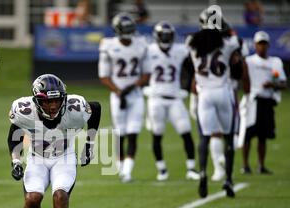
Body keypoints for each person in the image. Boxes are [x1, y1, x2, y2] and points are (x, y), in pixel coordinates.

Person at [7, 74, 101, 208]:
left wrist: (89, 145)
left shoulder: (76, 108)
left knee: (60, 196)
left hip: (64, 157)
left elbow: (96, 108)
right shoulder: (24, 111)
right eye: (48, 101)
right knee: (32, 199)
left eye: (57, 100)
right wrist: (15, 160)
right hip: (36, 158)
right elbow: (14, 134)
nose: (53, 106)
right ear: (37, 101)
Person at [187, 8, 246, 198]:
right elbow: (235, 41)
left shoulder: (192, 43)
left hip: (204, 93)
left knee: (204, 137)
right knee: (228, 137)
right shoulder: (228, 43)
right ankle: (228, 178)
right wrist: (223, 29)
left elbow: (198, 42)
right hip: (223, 91)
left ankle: (203, 173)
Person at [144, 21, 200, 181]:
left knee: (186, 132)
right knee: (157, 134)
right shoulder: (149, 51)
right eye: (163, 35)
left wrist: (186, 85)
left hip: (175, 98)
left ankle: (191, 168)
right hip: (156, 99)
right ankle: (161, 169)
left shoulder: (180, 50)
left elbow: (191, 66)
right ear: (157, 36)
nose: (166, 38)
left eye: (168, 36)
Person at [98, 12, 149, 183]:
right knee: (120, 132)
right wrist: (119, 91)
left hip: (135, 94)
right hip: (117, 94)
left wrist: (132, 87)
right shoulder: (108, 45)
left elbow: (147, 74)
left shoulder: (141, 44)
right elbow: (104, 76)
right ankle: (120, 166)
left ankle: (127, 171)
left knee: (133, 132)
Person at [240, 31, 287, 174]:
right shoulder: (249, 61)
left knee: (263, 136)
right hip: (253, 100)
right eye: (260, 44)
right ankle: (245, 165)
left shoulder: (275, 62)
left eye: (264, 44)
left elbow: (283, 83)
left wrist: (272, 85)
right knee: (247, 134)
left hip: (267, 101)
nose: (262, 47)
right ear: (255, 45)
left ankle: (261, 165)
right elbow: (242, 78)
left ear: (268, 45)